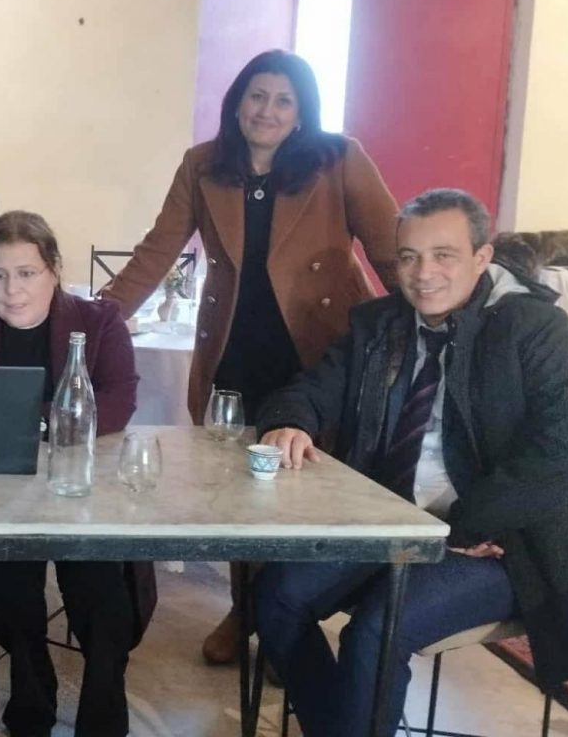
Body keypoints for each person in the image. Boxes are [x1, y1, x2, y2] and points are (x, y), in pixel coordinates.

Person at [253, 188, 568, 737]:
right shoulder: (379, 323)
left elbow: (566, 453)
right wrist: (290, 420)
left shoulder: (533, 328)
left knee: (377, 630)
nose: (423, 274)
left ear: (482, 257)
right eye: (409, 257)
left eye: (444, 255)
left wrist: (464, 526)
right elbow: (312, 390)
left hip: (502, 541)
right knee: (276, 598)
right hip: (391, 522)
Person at [98, 49, 400, 665]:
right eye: (257, 96)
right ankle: (244, 610)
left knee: (310, 492)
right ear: (237, 102)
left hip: (322, 353)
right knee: (238, 490)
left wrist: (428, 326)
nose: (268, 110)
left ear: (302, 112)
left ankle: (292, 622)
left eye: (284, 100)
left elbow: (392, 251)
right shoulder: (203, 165)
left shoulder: (339, 159)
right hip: (234, 350)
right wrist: (91, 322)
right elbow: (157, 251)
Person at [0, 210, 154, 737]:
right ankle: (32, 690)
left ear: (53, 269)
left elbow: (119, 400)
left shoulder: (99, 321)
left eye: (26, 273)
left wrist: (26, 420)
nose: (12, 290)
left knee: (103, 599)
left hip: (81, 492)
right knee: (8, 593)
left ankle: (103, 711)